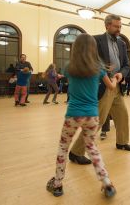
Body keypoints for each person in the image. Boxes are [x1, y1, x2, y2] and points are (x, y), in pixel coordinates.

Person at [46, 34, 117, 198]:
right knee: (92, 148)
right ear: (94, 49)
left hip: (73, 115)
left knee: (63, 148)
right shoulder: (99, 68)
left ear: (75, 48)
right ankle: (106, 182)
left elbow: (68, 82)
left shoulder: (69, 66)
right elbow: (111, 87)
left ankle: (57, 184)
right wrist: (116, 78)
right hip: (92, 116)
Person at [69, 14, 130, 165]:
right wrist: (105, 75)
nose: (119, 29)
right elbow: (90, 60)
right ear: (107, 26)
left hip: (117, 85)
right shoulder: (95, 40)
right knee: (97, 121)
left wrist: (121, 74)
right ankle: (75, 152)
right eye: (116, 26)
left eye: (120, 26)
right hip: (103, 85)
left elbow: (126, 64)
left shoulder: (122, 44)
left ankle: (122, 142)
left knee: (122, 115)